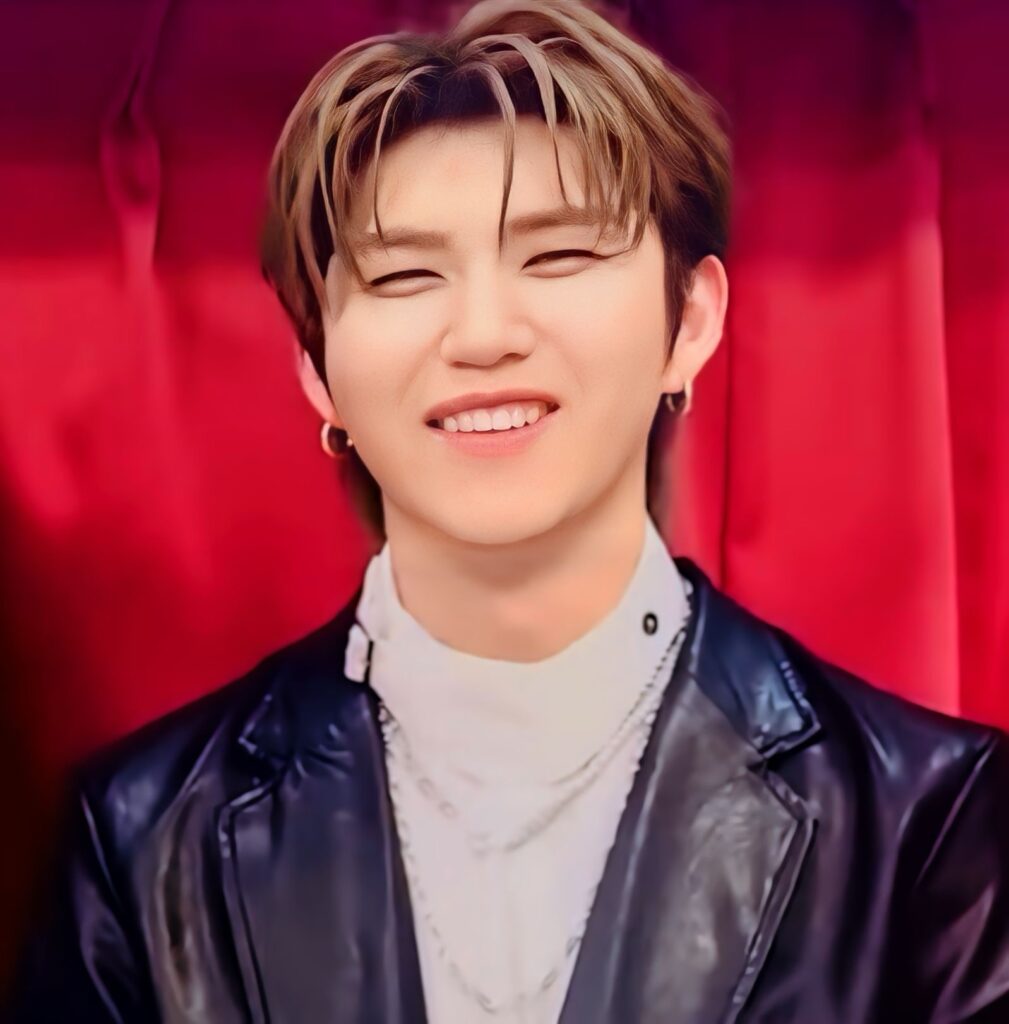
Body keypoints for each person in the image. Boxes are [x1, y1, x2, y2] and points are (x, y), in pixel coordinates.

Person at [6, 0, 1009, 1021]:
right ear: (317, 366)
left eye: (558, 256)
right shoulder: (142, 842)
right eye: (406, 274)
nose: (482, 334)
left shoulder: (923, 819)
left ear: (690, 321)